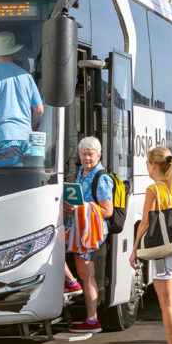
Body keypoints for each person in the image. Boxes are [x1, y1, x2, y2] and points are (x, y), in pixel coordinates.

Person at [131, 147, 172, 344]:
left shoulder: (154, 189)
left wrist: (135, 249)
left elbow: (145, 223)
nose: (147, 167)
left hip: (164, 251)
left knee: (166, 305)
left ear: (154, 165)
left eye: (147, 164)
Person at [63, 136, 114, 333]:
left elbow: (107, 210)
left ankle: (92, 320)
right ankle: (72, 284)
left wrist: (79, 209)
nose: (87, 158)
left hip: (89, 232)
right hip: (77, 228)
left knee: (86, 275)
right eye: (83, 154)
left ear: (99, 155)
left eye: (91, 154)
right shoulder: (81, 172)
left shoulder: (101, 178)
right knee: (51, 248)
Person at [0, 31, 44, 153]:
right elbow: (39, 109)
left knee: (0, 166)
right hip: (24, 139)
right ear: (13, 52)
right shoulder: (26, 76)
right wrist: (32, 125)